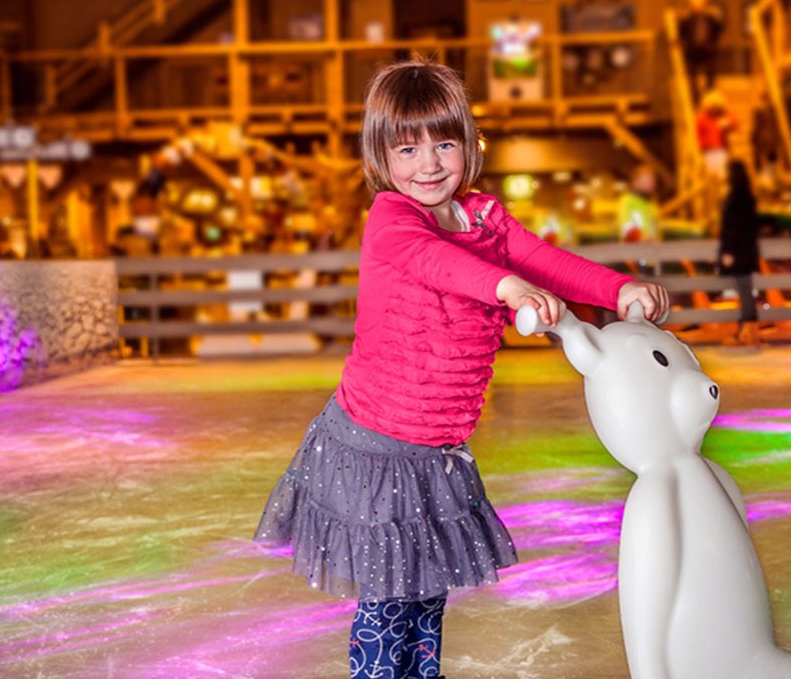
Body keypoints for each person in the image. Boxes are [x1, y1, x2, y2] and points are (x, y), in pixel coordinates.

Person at [253, 61, 670, 679]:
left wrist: (618, 290)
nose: (429, 163)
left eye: (444, 143)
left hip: (436, 450)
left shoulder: (484, 218)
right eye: (408, 147)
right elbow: (440, 264)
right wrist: (506, 286)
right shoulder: (392, 220)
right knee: (389, 602)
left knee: (427, 596)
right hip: (377, 445)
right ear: (382, 155)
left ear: (468, 144)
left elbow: (546, 260)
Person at [718, 161, 762, 347]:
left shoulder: (736, 197)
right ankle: (749, 331)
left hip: (737, 251)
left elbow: (732, 227)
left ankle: (747, 332)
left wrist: (728, 250)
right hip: (746, 250)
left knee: (744, 291)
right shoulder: (747, 197)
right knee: (746, 290)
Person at [677, 0, 724, 97]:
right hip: (692, 51)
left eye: (700, 4)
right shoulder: (688, 19)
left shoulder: (711, 19)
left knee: (710, 71)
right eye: (695, 4)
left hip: (708, 49)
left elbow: (719, 29)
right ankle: (694, 93)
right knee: (692, 74)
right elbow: (681, 32)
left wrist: (717, 17)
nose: (698, 7)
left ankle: (709, 91)